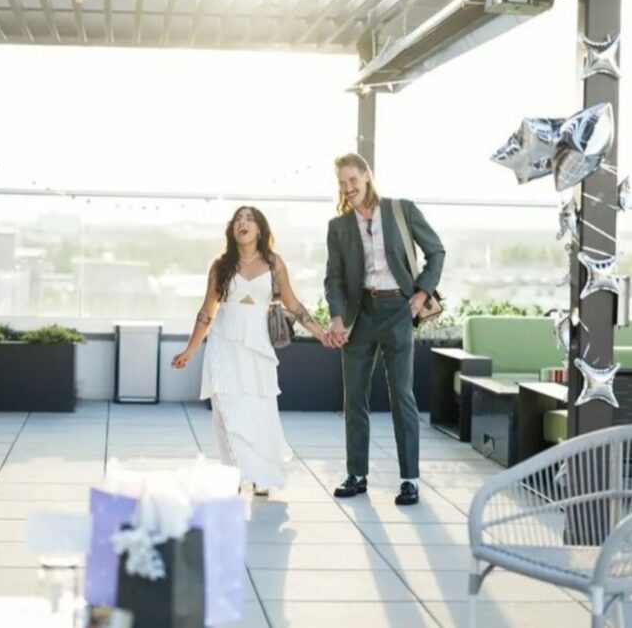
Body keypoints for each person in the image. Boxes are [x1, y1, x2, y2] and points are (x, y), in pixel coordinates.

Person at [172, 206, 328, 495]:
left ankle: (260, 474)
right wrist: (190, 350)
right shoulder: (221, 265)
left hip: (257, 344)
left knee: (259, 409)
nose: (242, 223)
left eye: (249, 219)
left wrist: (320, 332)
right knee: (226, 409)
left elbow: (293, 304)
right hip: (223, 340)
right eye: (237, 220)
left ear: (260, 229)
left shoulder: (274, 263)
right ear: (233, 230)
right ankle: (233, 475)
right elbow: (207, 311)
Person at [324, 153, 445, 506]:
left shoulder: (401, 211)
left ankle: (409, 479)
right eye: (342, 183)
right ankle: (356, 474)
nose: (348, 188)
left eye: (353, 180)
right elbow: (333, 277)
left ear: (367, 176)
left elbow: (436, 251)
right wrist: (335, 317)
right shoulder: (339, 226)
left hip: (398, 310)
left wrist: (422, 292)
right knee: (354, 397)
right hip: (359, 313)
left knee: (401, 396)